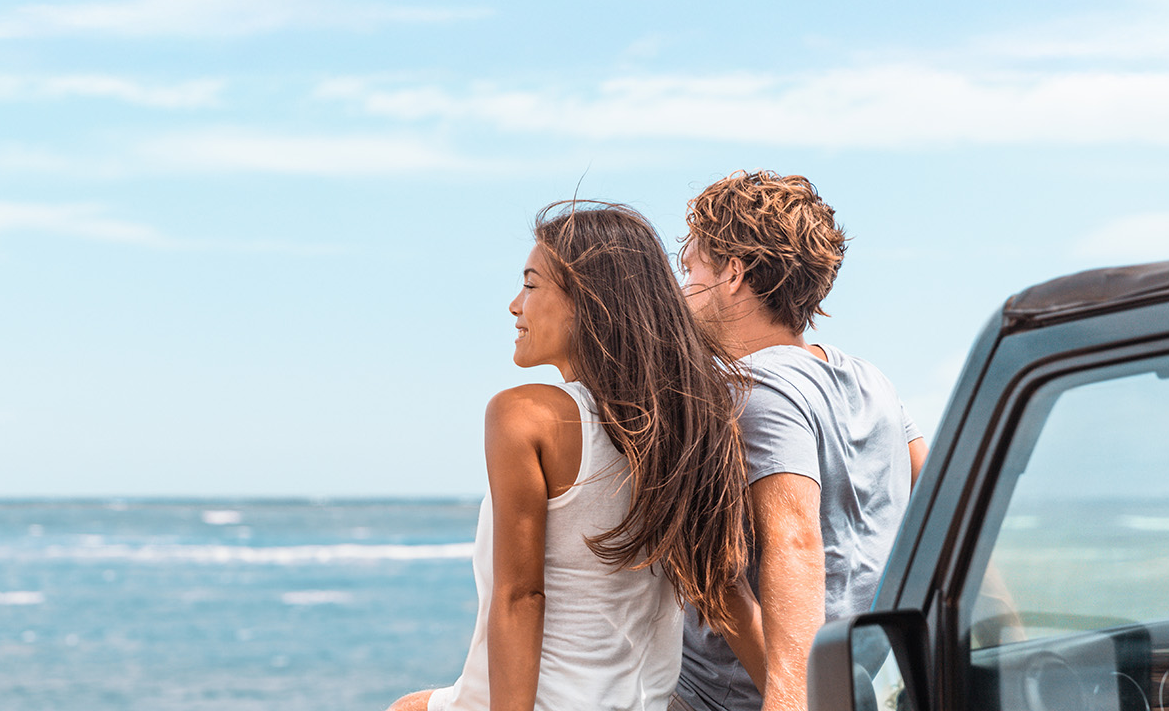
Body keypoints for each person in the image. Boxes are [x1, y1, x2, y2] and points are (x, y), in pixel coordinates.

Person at [389, 201, 757, 711]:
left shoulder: (525, 415)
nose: (515, 305)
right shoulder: (686, 429)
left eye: (531, 285)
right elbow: (724, 589)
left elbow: (521, 599)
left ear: (589, 301)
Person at [673, 171, 930, 711]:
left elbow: (793, 541)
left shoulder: (755, 387)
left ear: (733, 274)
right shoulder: (871, 380)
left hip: (725, 700)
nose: (681, 291)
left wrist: (792, 704)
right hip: (843, 686)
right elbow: (945, 510)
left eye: (691, 268)